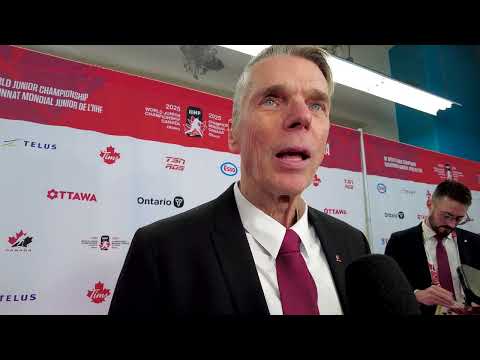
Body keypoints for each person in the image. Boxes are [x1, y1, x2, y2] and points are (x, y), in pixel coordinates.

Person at [109, 45, 370, 316]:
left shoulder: (353, 245)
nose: (302, 116)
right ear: (234, 132)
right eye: (272, 99)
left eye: (316, 105)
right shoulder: (161, 252)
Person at [385, 180, 480, 315]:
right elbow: (388, 290)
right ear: (430, 204)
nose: (452, 225)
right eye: (447, 216)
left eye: (459, 219)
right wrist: (416, 295)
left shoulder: (474, 242)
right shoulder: (400, 241)